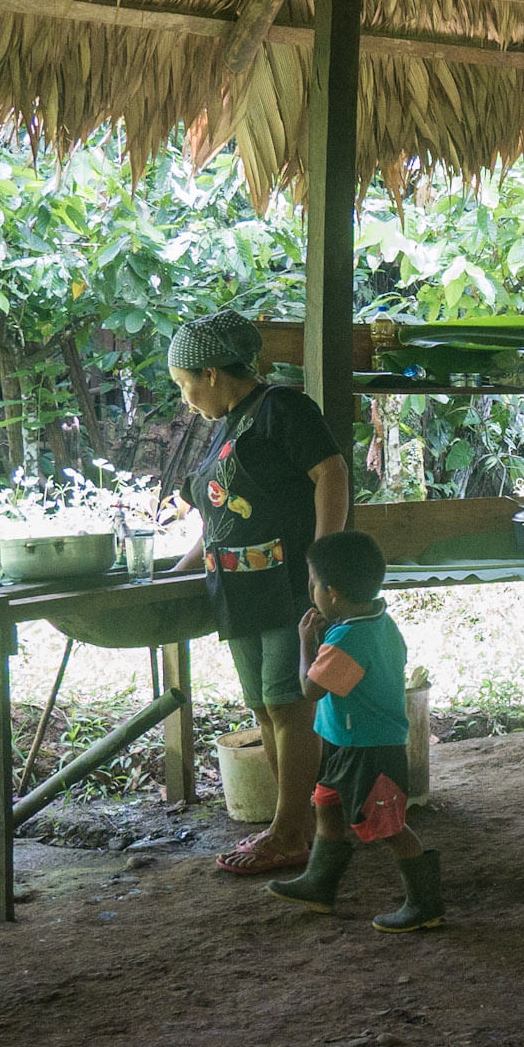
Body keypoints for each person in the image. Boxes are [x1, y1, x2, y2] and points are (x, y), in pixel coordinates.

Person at [168, 310, 350, 875]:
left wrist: (323, 565)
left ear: (214, 372)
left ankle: (290, 830)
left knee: (288, 706)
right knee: (265, 710)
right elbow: (218, 516)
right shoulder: (227, 424)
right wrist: (177, 571)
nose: (186, 399)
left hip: (286, 583)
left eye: (186, 385)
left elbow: (334, 473)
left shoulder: (283, 409)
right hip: (237, 590)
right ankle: (294, 825)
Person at [268, 531, 443, 932]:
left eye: (312, 582)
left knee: (389, 828)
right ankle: (318, 883)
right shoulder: (379, 622)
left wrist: (303, 643)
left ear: (330, 593)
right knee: (326, 806)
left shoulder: (348, 638)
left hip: (368, 751)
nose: (309, 589)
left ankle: (426, 902)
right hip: (345, 743)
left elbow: (309, 689)